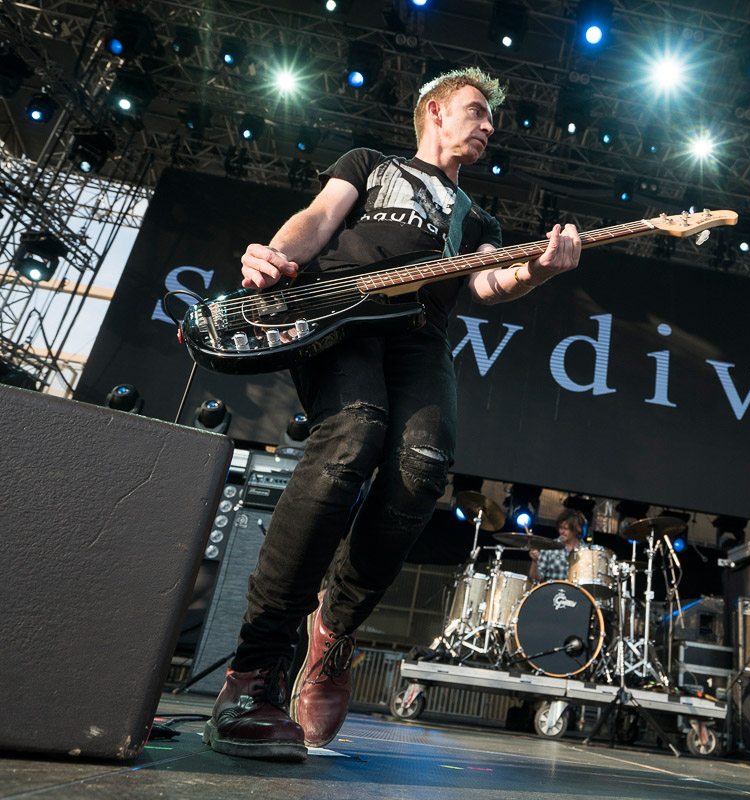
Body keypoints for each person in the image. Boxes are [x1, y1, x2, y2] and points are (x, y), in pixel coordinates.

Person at [204, 66, 582, 762]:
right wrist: (276, 256)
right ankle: (254, 673)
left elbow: (490, 281)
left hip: (420, 339)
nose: (489, 126)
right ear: (435, 111)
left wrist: (539, 269)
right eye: (477, 111)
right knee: (354, 436)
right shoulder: (370, 165)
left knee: (423, 466)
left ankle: (334, 630)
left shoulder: (477, 220)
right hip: (339, 318)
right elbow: (319, 218)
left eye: (491, 119)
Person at [528, 509, 587, 583]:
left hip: (577, 590)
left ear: (576, 530)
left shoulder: (586, 551)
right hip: (552, 589)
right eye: (560, 527)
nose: (561, 531)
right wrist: (534, 561)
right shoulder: (549, 547)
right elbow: (535, 578)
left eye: (565, 528)